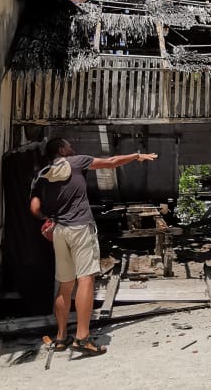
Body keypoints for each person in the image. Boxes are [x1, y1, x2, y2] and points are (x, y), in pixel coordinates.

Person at [29, 137, 157, 356]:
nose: (72, 148)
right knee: (86, 279)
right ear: (61, 150)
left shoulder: (41, 174)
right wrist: (136, 156)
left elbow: (34, 207)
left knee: (65, 285)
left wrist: (46, 221)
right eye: (68, 145)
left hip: (59, 231)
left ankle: (61, 337)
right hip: (80, 229)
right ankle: (82, 338)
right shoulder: (77, 162)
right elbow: (112, 162)